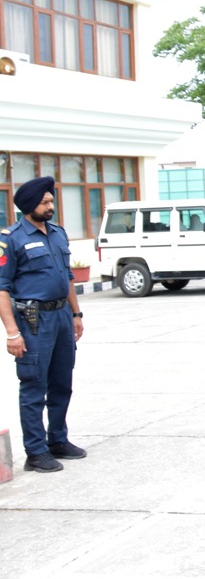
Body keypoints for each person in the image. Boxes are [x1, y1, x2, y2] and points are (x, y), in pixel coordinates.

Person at [0, 177, 87, 473]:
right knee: (34, 386)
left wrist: (76, 315)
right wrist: (12, 333)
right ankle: (36, 452)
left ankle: (58, 440)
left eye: (52, 201)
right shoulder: (10, 238)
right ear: (28, 206)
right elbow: (1, 289)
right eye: (45, 202)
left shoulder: (57, 233)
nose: (51, 206)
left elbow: (68, 278)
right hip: (33, 320)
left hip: (62, 317)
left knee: (62, 383)